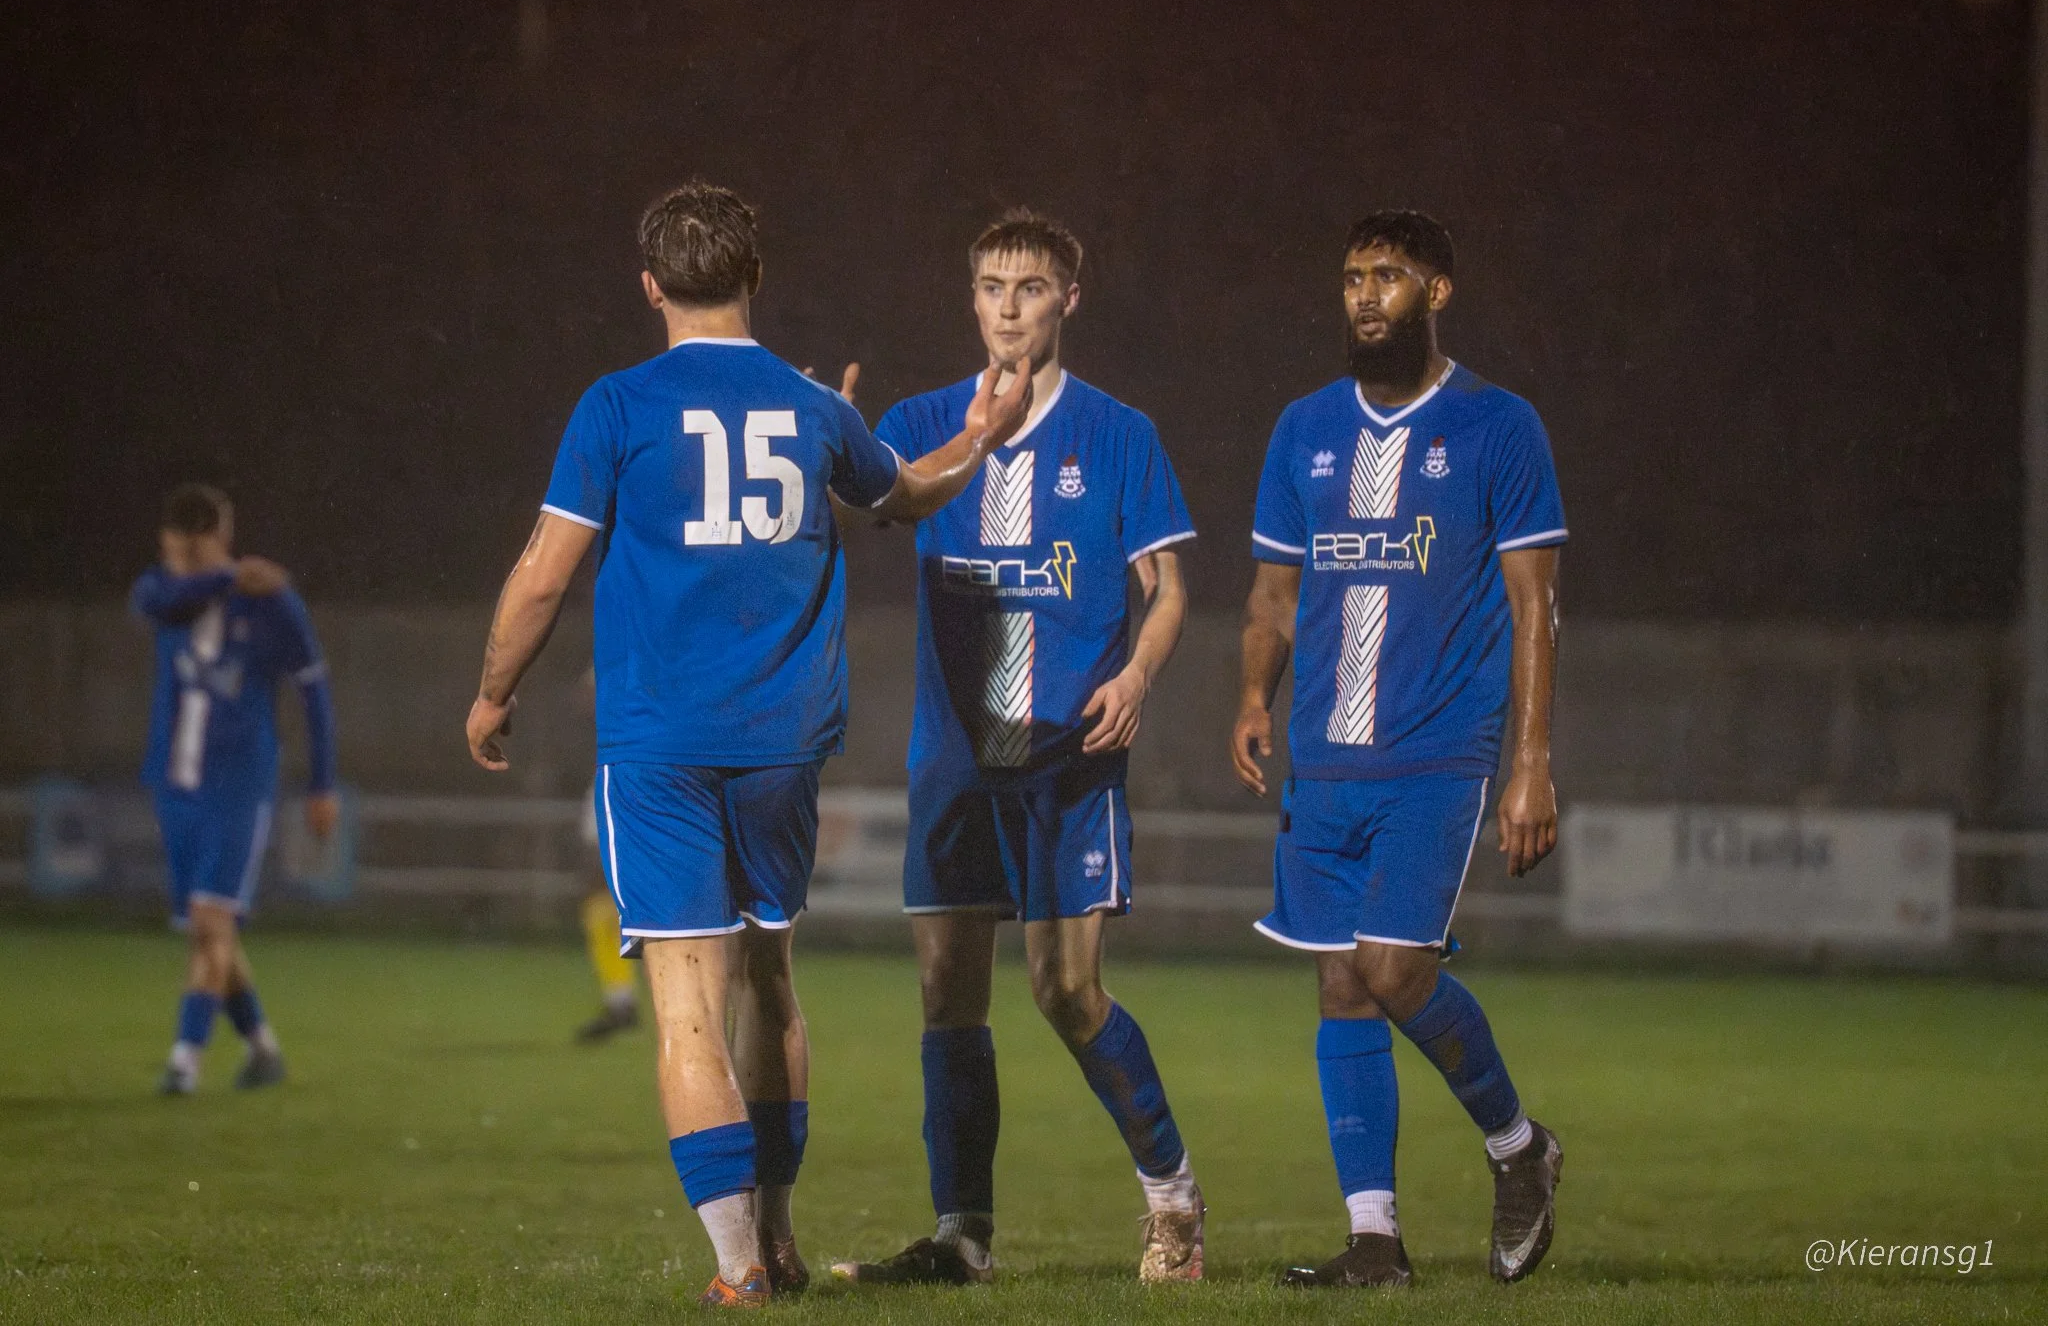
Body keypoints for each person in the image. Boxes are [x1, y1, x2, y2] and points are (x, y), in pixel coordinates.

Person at [464, 180, 1032, 1308]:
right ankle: (777, 1232)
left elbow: (543, 572)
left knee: (685, 998)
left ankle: (737, 1270)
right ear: (754, 278)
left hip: (664, 744)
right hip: (782, 744)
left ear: (649, 286)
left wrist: (490, 693)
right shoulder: (814, 410)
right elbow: (909, 497)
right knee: (769, 981)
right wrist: (978, 436)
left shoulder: (617, 406)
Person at [834, 210, 1204, 1288]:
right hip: (956, 754)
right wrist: (832, 443)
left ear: (1066, 299)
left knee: (1063, 991)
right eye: (990, 284)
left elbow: (1170, 588)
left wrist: (1134, 672)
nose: (1005, 304)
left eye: (1029, 286)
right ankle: (963, 1237)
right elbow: (866, 505)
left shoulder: (1117, 434)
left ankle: (1172, 1200)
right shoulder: (922, 420)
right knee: (947, 992)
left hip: (1063, 754)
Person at [1231, 211, 1567, 1288]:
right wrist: (1251, 695)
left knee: (1389, 969)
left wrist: (1529, 762)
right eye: (1350, 278)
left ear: (1436, 290)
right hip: (1324, 755)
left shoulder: (1495, 427)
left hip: (1436, 752)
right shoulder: (1303, 430)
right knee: (1338, 983)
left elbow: (1533, 607)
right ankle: (1373, 1241)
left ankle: (1519, 1150)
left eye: (1387, 275)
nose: (1365, 294)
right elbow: (1273, 597)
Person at [131, 483, 339, 1096]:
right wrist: (225, 579)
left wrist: (322, 782)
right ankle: (263, 1051)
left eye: (197, 547)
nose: (184, 558)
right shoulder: (168, 593)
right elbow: (157, 599)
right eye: (179, 548)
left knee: (208, 921)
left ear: (220, 536)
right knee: (211, 929)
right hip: (175, 783)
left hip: (238, 785)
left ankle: (183, 1062)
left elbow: (314, 690)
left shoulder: (274, 606)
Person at [572, 667, 641, 1042]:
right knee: (600, 901)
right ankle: (621, 1001)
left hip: (635, 783)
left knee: (604, 900)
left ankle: (625, 1002)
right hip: (622, 779)